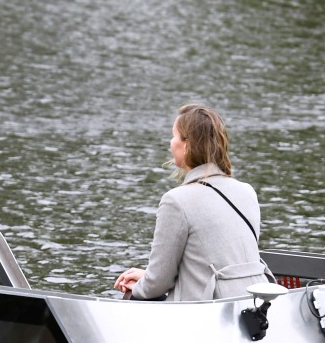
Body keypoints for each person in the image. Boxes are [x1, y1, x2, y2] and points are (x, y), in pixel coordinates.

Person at [114, 104, 270, 301]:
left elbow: (156, 285)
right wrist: (148, 277)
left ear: (186, 144)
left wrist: (137, 287)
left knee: (132, 297)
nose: (171, 143)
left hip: (208, 312)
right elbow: (216, 264)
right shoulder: (247, 191)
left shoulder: (176, 201)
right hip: (256, 303)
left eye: (174, 136)